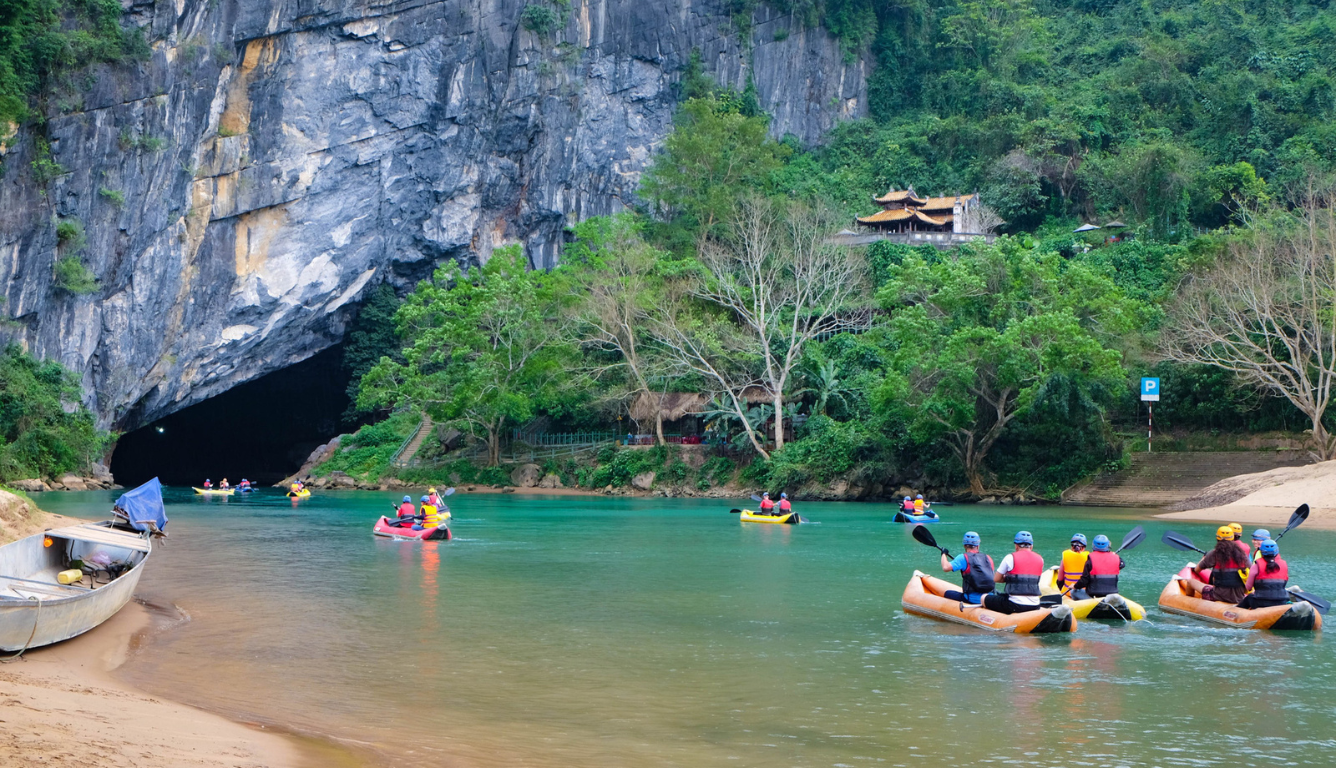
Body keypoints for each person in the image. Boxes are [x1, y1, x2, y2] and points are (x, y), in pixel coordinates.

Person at [1183, 526, 1251, 604]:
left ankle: (1188, 603)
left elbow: (1197, 570)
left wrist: (1205, 557)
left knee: (1190, 582)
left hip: (1218, 595)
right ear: (1232, 539)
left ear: (1218, 539)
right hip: (1238, 597)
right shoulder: (1242, 555)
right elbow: (1251, 571)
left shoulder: (1214, 553)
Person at [983, 531, 1044, 614]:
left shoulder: (1010, 557)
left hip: (1015, 605)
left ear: (1016, 545)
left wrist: (1009, 578)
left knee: (983, 597)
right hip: (1035, 604)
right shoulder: (1040, 559)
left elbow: (996, 579)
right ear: (1031, 546)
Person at [940, 531, 995, 605]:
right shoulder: (988, 558)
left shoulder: (963, 557)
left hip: (971, 599)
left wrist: (944, 554)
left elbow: (945, 567)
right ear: (978, 545)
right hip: (989, 598)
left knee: (948, 593)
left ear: (965, 546)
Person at [1239, 539, 1291, 609]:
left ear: (1261, 552)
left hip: (1261, 602)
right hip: (1281, 601)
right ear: (1277, 551)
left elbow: (1248, 587)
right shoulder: (1284, 564)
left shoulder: (1256, 566)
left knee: (1249, 597)